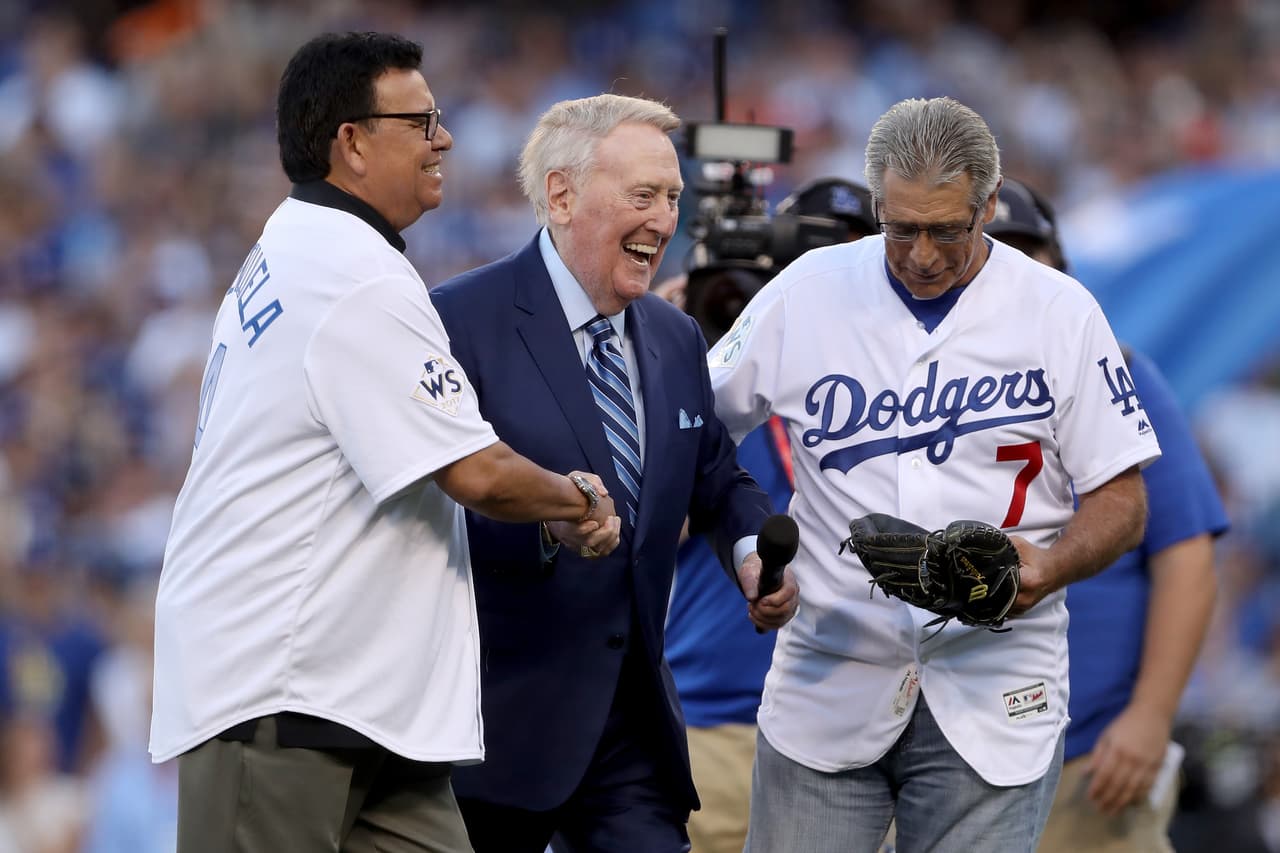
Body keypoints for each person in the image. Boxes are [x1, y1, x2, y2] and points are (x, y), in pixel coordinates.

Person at [149, 32, 623, 853]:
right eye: (421, 122)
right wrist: (574, 497)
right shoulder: (349, 271)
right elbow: (477, 472)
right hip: (281, 693)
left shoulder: (300, 244)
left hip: (362, 703)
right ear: (353, 142)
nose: (445, 139)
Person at [707, 96, 1161, 853]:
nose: (921, 254)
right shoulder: (805, 290)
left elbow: (1123, 499)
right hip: (830, 673)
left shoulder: (1062, 312)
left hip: (996, 682)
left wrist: (1050, 566)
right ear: (876, 204)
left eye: (947, 229)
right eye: (901, 228)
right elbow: (696, 433)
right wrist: (747, 548)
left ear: (989, 203)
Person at [428, 93, 799, 853]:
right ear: (561, 196)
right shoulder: (457, 321)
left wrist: (749, 549)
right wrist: (546, 526)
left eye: (672, 197)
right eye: (643, 195)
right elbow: (429, 502)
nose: (665, 220)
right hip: (491, 731)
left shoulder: (675, 334)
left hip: (632, 734)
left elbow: (716, 475)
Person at [983, 178, 1229, 852]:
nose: (1016, 272)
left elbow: (1187, 555)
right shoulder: (911, 388)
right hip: (947, 749)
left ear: (1063, 270)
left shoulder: (1122, 373)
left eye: (1030, 253)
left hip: (1089, 755)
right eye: (997, 252)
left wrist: (1151, 714)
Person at [660, 177, 877, 853]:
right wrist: (659, 349)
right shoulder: (728, 375)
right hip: (714, 720)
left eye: (860, 256)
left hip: (854, 718)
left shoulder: (907, 391)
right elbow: (646, 514)